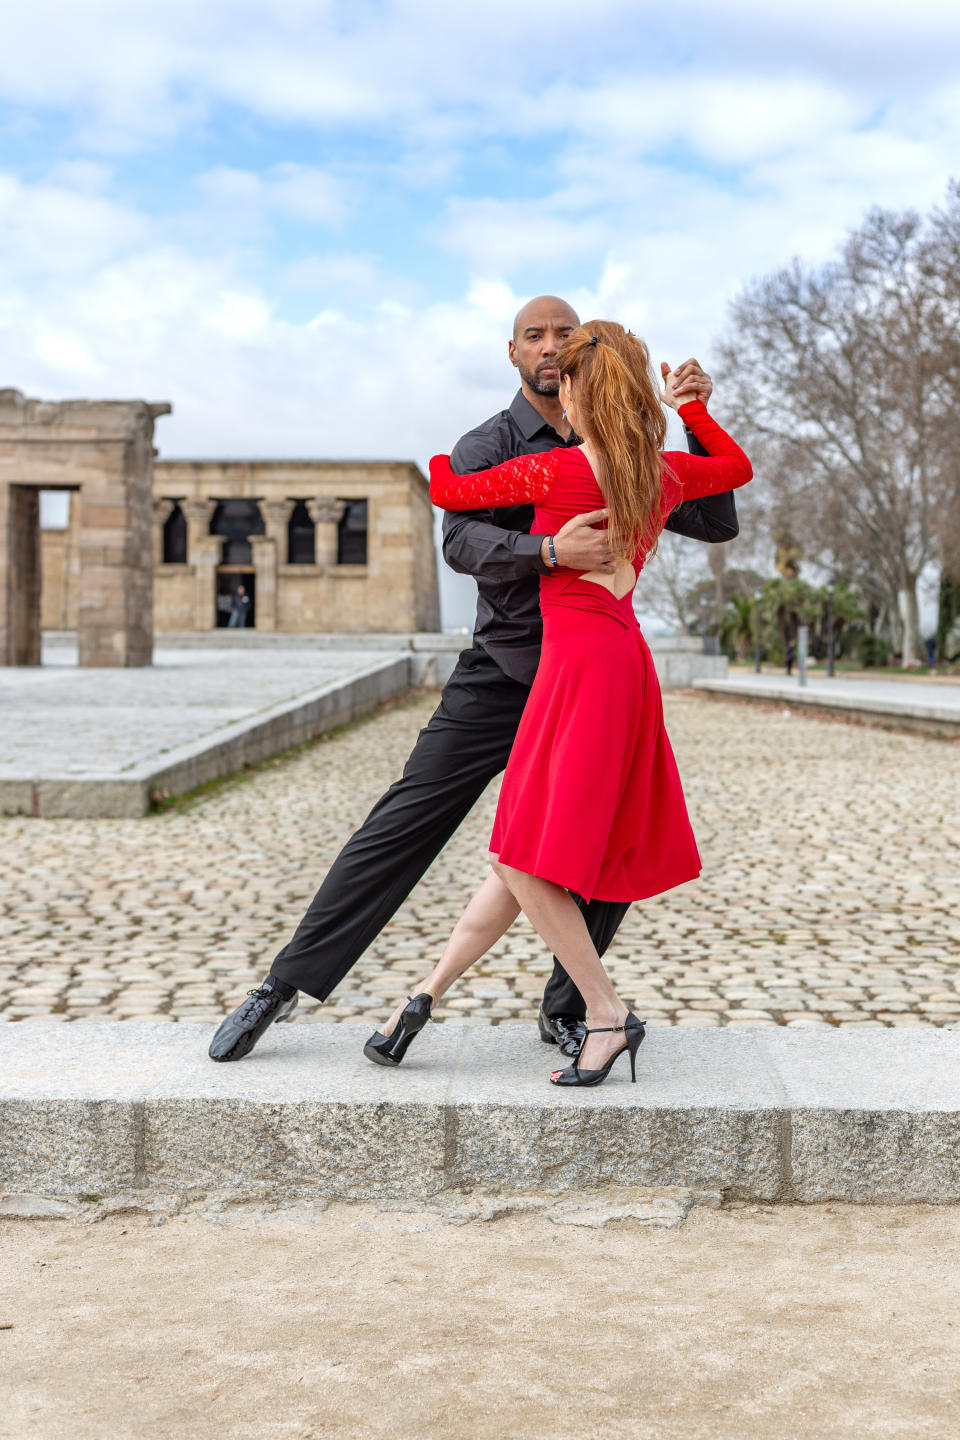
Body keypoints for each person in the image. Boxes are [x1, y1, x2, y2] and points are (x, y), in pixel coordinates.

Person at [207, 296, 739, 1065]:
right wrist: (549, 552)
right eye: (535, 336)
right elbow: (460, 538)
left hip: (589, 668)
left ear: (588, 354)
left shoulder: (624, 444)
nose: (551, 346)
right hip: (502, 669)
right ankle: (284, 984)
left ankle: (576, 1010)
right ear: (514, 352)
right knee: (401, 823)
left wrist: (693, 416)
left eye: (566, 335)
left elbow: (715, 520)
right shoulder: (491, 442)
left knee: (609, 837)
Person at [366, 321, 752, 1086]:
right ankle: (422, 996)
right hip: (621, 666)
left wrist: (446, 448)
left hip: (577, 673)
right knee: (522, 854)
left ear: (573, 391)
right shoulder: (662, 476)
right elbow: (733, 467)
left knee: (522, 853)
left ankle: (605, 1014)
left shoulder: (553, 474)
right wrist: (693, 414)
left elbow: (449, 486)